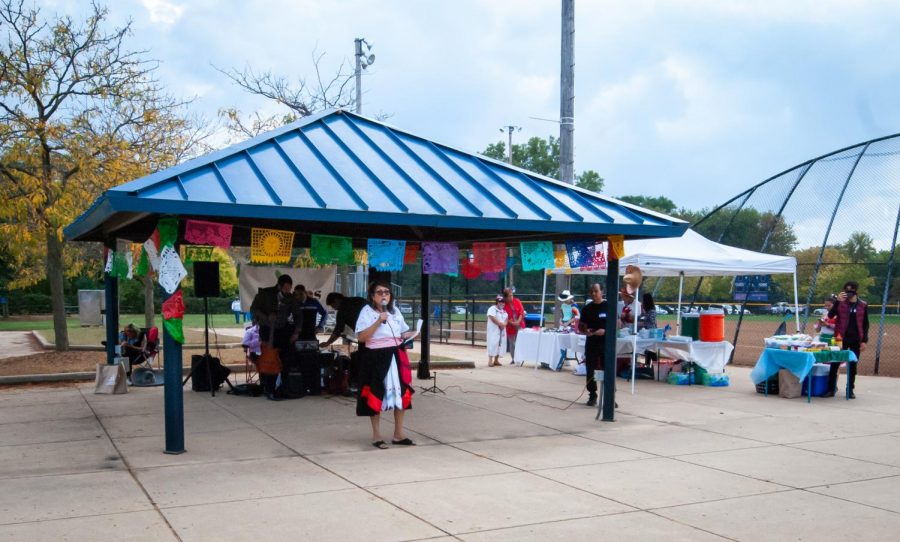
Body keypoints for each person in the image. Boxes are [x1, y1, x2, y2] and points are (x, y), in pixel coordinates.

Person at [355, 281, 417, 449]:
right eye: (379, 292)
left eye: (387, 292)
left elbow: (401, 331)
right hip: (375, 356)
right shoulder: (366, 312)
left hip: (396, 354)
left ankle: (398, 434)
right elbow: (361, 337)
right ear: (372, 296)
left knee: (401, 392)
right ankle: (376, 436)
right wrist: (378, 321)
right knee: (376, 392)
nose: (384, 295)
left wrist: (410, 334)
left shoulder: (395, 311)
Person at [250, 274, 303, 400]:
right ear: (279, 285)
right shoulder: (265, 294)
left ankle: (284, 388)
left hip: (283, 330)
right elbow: (254, 309)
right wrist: (265, 317)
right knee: (270, 358)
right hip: (268, 330)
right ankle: (269, 389)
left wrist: (297, 331)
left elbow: (298, 315)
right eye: (285, 288)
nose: (287, 291)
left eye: (289, 288)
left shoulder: (290, 298)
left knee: (285, 360)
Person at [825, 281, 869, 399]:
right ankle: (830, 389)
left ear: (856, 291)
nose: (848, 294)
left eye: (851, 291)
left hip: (856, 339)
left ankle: (850, 390)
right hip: (840, 338)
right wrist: (837, 302)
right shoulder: (840, 303)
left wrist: (864, 340)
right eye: (846, 291)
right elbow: (830, 316)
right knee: (835, 363)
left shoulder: (863, 305)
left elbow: (865, 324)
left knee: (853, 365)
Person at [578, 284, 609, 407]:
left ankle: (609, 395)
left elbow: (616, 324)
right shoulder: (587, 308)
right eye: (592, 291)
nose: (594, 294)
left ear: (602, 292)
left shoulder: (608, 306)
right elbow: (581, 326)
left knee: (607, 370)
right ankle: (592, 394)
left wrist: (605, 331)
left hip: (606, 343)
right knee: (591, 370)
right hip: (592, 343)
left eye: (596, 291)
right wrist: (586, 331)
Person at [503, 287, 525, 364]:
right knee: (512, 343)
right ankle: (513, 358)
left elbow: (521, 312)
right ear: (505, 297)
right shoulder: (504, 305)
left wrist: (518, 321)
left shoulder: (517, 301)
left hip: (519, 324)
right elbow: (504, 316)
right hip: (510, 326)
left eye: (512, 295)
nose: (511, 297)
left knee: (520, 342)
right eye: (509, 296)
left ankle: (521, 358)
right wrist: (512, 323)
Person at [486, 295, 509, 367]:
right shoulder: (492, 309)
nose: (502, 303)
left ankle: (496, 360)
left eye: (503, 302)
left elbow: (506, 319)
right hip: (494, 331)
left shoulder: (504, 311)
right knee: (492, 344)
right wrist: (499, 324)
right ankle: (490, 361)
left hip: (502, 330)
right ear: (497, 302)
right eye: (500, 302)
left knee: (500, 345)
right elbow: (491, 317)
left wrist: (504, 324)